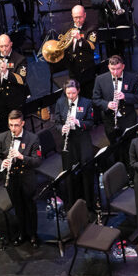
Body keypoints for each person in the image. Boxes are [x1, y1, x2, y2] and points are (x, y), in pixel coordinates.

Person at [0, 110, 42, 247]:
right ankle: (22, 233)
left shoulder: (33, 138)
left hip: (27, 179)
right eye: (11, 125)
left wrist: (21, 157)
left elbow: (37, 161)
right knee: (18, 207)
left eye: (16, 125)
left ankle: (33, 234)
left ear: (23, 124)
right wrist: (3, 163)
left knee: (30, 207)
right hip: (12, 180)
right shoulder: (2, 137)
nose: (13, 129)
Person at [53, 80, 94, 208]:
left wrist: (78, 122)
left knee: (86, 168)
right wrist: (62, 128)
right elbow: (56, 123)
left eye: (73, 93)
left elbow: (91, 123)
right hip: (69, 140)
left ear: (78, 91)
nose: (70, 96)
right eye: (68, 93)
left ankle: (89, 202)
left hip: (82, 139)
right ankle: (73, 202)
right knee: (70, 171)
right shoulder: (60, 102)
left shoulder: (86, 103)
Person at [92, 55, 138, 144]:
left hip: (128, 118)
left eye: (118, 69)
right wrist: (107, 104)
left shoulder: (133, 78)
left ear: (123, 66)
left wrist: (125, 96)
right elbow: (95, 99)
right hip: (109, 120)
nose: (115, 72)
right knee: (114, 145)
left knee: (130, 143)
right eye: (112, 69)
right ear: (108, 67)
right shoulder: (100, 79)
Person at [0, 34, 28, 119]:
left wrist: (6, 72)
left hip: (14, 99)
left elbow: (21, 79)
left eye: (6, 46)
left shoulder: (20, 59)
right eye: (1, 46)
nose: (4, 49)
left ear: (11, 44)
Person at [60, 5, 97, 98]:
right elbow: (61, 44)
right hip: (72, 68)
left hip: (86, 69)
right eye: (75, 17)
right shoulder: (66, 27)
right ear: (72, 16)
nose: (78, 20)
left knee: (88, 95)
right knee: (75, 95)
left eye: (80, 17)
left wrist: (79, 39)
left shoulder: (92, 28)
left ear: (85, 15)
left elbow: (91, 46)